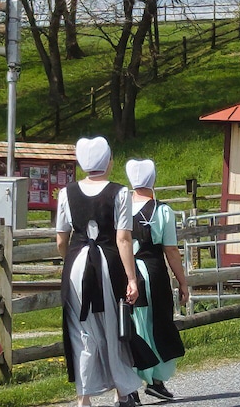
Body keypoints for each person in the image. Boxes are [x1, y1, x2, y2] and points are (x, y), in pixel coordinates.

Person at [57, 137, 145, 407]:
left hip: (77, 264)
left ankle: (84, 399)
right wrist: (132, 278)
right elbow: (123, 239)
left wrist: (71, 259)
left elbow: (62, 239)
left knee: (80, 330)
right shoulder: (120, 193)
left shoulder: (66, 193)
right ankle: (122, 391)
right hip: (107, 261)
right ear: (108, 161)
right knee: (113, 327)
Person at [124, 159, 188, 401]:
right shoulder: (162, 211)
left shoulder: (119, 208)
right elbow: (171, 250)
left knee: (131, 327)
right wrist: (182, 282)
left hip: (125, 273)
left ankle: (129, 386)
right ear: (153, 179)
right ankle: (156, 380)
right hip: (153, 272)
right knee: (157, 323)